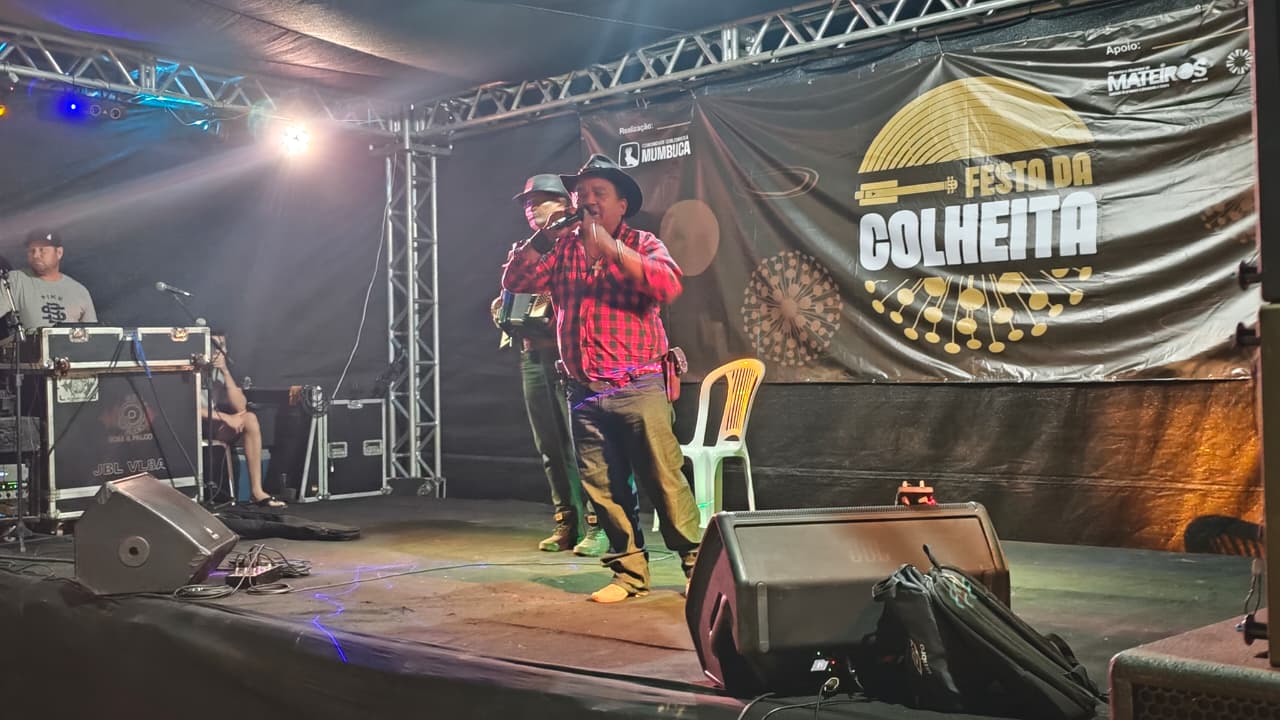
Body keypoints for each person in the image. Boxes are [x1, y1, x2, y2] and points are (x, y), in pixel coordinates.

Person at [502, 155, 700, 604]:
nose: (587, 201)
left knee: (666, 485)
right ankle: (629, 575)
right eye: (581, 195)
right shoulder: (562, 249)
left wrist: (611, 249)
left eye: (598, 194)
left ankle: (696, 569)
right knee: (606, 491)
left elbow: (668, 285)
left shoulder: (642, 242)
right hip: (583, 393)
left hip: (639, 387)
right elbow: (516, 280)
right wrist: (544, 237)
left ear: (621, 204)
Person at [494, 173, 608, 557]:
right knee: (550, 445)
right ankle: (566, 522)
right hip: (532, 355)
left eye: (539, 200)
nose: (530, 208)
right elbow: (511, 292)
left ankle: (599, 524)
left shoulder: (580, 244)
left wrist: (549, 314)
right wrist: (502, 311)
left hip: (570, 357)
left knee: (584, 444)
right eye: (527, 203)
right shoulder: (525, 250)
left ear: (564, 204)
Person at [201, 332, 283, 508]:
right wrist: (225, 417)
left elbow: (240, 406)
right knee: (239, 418)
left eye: (222, 346)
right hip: (190, 426)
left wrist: (225, 371)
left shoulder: (221, 371)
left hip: (213, 426)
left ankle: (257, 491)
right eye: (214, 345)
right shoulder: (190, 369)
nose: (218, 351)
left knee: (250, 418)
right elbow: (185, 408)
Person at [0, 229, 97, 330]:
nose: (36, 255)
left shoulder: (80, 291)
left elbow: (94, 334)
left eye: (42, 250)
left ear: (59, 253)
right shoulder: (14, 280)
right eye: (32, 251)